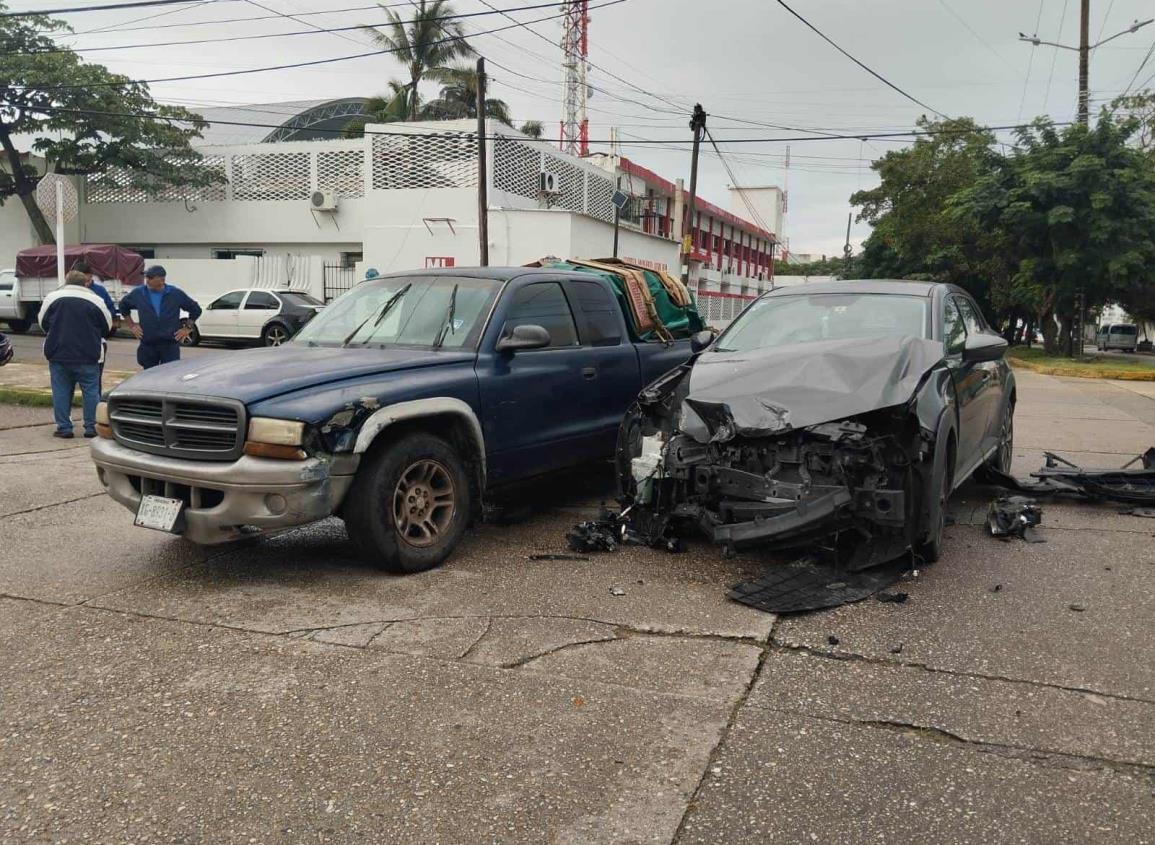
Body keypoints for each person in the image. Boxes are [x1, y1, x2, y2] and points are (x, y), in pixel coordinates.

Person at [40, 270, 112, 439]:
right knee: (90, 391)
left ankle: (64, 427)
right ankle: (90, 427)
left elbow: (43, 323)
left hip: (58, 352)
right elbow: (107, 326)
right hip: (88, 353)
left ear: (66, 281)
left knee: (61, 390)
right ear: (86, 283)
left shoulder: (52, 298)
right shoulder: (96, 300)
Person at [119, 265, 202, 369]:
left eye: (150, 278)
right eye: (146, 277)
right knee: (148, 378)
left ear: (162, 279)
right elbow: (123, 306)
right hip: (148, 345)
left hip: (170, 346)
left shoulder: (175, 294)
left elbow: (196, 310)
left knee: (169, 378)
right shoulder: (139, 293)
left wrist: (187, 328)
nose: (147, 280)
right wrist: (132, 326)